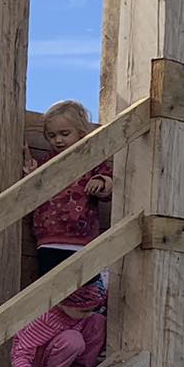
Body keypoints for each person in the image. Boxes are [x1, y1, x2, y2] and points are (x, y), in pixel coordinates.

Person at [26, 99, 112, 271]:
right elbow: (35, 190)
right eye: (52, 136)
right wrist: (32, 174)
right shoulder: (47, 162)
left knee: (84, 282)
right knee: (50, 282)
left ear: (80, 133)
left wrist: (100, 182)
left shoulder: (91, 159)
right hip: (48, 238)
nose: (58, 140)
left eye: (65, 134)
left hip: (82, 239)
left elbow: (108, 181)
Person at [11, 279, 107, 367]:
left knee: (97, 320)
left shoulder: (82, 315)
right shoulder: (46, 320)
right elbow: (20, 354)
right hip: (39, 365)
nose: (89, 314)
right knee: (73, 340)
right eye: (84, 311)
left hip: (64, 354)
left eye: (94, 309)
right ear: (62, 303)